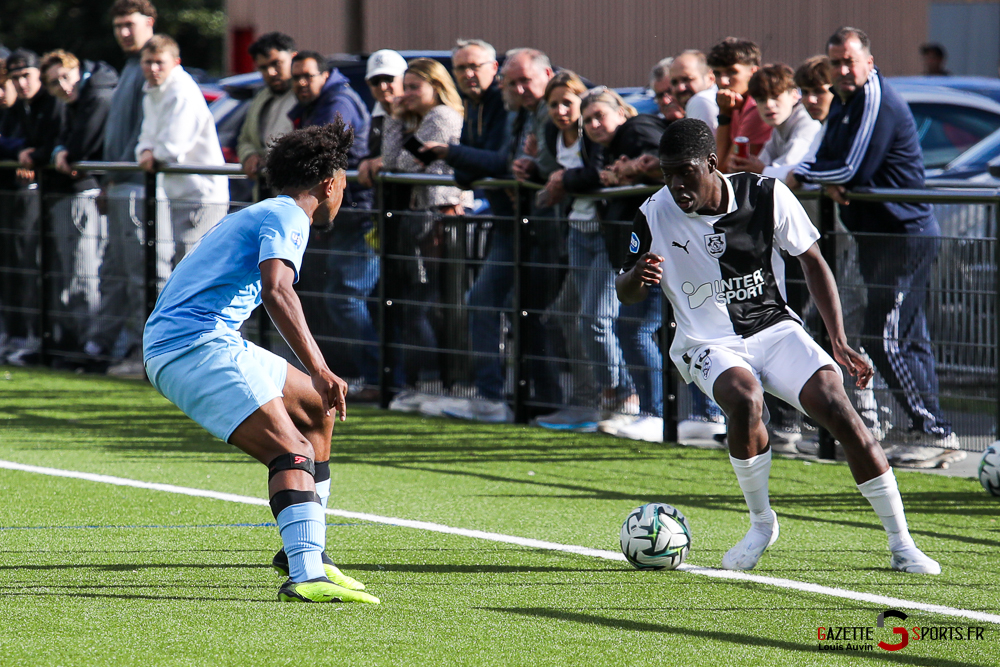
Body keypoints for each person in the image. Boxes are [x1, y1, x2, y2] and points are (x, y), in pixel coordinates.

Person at [619, 117, 942, 575]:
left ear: (712, 164)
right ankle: (761, 523)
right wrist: (637, 278)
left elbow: (812, 261)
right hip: (707, 341)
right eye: (666, 173)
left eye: (685, 171)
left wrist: (838, 340)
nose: (675, 184)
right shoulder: (654, 212)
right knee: (744, 398)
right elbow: (623, 289)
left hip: (774, 329)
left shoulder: (766, 194)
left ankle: (902, 544)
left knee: (837, 406)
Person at [142, 121, 379, 604]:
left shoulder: (269, 210)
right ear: (330, 181)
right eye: (345, 178)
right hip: (191, 344)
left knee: (316, 409)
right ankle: (307, 573)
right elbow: (277, 289)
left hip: (203, 338)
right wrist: (319, 365)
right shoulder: (290, 216)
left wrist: (316, 381)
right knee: (291, 450)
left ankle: (305, 553)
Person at [789, 28, 962, 468]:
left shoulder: (877, 101)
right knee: (907, 337)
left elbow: (850, 166)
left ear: (869, 59)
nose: (842, 71)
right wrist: (815, 175)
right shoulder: (844, 100)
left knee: (883, 338)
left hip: (903, 236)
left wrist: (812, 178)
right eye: (835, 62)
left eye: (849, 61)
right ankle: (927, 429)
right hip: (875, 238)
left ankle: (937, 432)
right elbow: (822, 157)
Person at [442, 48, 562, 422]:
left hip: (550, 226)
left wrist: (455, 154)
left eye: (525, 80)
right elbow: (477, 169)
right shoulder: (510, 111)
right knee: (509, 307)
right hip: (515, 222)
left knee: (552, 315)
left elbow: (512, 163)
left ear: (547, 75)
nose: (520, 88)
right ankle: (509, 399)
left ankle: (553, 400)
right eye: (513, 82)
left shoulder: (547, 109)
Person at [576, 88, 667, 442]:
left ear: (621, 111)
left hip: (655, 251)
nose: (595, 125)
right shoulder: (608, 146)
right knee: (633, 330)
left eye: (600, 115)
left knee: (638, 330)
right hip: (635, 253)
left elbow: (665, 159)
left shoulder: (637, 128)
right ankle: (653, 410)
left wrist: (634, 168)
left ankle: (657, 412)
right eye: (588, 121)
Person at [377, 58, 472, 392]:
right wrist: (396, 119)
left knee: (439, 302)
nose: (406, 94)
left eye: (415, 87)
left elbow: (402, 162)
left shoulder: (441, 116)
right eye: (406, 86)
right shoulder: (422, 119)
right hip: (429, 217)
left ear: (437, 86)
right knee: (429, 301)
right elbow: (392, 161)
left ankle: (447, 379)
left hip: (444, 217)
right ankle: (439, 378)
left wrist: (398, 120)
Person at [287, 50, 376, 402]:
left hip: (354, 213)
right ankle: (368, 374)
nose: (301, 83)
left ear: (326, 75)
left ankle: (379, 375)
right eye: (296, 77)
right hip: (334, 212)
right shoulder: (319, 102)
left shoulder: (338, 101)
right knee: (335, 298)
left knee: (346, 298)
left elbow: (315, 150)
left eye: (307, 75)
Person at [83, 0, 161, 378]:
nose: (124, 32)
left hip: (139, 188)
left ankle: (145, 352)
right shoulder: (131, 66)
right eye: (118, 26)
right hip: (118, 184)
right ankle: (100, 348)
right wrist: (106, 182)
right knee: (113, 272)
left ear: (149, 22)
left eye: (130, 24)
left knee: (140, 274)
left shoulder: (154, 63)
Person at [42, 50, 119, 360]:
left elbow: (81, 148)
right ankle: (85, 344)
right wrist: (60, 149)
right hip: (82, 193)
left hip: (88, 193)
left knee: (85, 273)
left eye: (65, 76)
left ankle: (91, 347)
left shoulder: (96, 95)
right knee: (78, 273)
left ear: (78, 71)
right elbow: (66, 142)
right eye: (53, 82)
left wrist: (65, 152)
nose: (62, 85)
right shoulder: (75, 101)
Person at [136, 35, 229, 268]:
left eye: (160, 62)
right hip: (178, 193)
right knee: (181, 266)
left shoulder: (182, 90)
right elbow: (146, 137)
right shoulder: (153, 91)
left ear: (176, 62)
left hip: (202, 196)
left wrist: (151, 154)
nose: (153, 68)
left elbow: (172, 147)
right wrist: (146, 151)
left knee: (195, 269)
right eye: (148, 62)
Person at [0, 48, 66, 365]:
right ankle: (21, 335)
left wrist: (35, 156)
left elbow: (48, 145)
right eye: (16, 78)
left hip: (48, 196)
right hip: (26, 197)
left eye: (26, 75)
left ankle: (39, 338)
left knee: (36, 268)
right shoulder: (21, 109)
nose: (22, 83)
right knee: (18, 267)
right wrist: (21, 152)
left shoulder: (51, 103)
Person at [731, 63, 822, 181]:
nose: (768, 105)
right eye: (762, 100)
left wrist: (759, 170)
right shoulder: (779, 126)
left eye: (775, 96)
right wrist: (744, 167)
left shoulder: (808, 123)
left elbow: (788, 171)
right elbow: (761, 163)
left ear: (794, 95)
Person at [238, 32, 298, 198]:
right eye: (263, 67)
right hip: (266, 193)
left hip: (299, 195)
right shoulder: (261, 98)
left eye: (277, 63)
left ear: (294, 57)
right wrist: (249, 155)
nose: (271, 72)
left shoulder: (306, 95)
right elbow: (245, 139)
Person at [707, 37, 771, 172]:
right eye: (718, 73)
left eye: (732, 72)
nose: (723, 81)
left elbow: (721, 169)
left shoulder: (757, 108)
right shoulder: (736, 104)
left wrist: (724, 114)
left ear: (753, 72)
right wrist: (725, 113)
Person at [356, 49, 407, 190]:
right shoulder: (372, 118)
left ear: (404, 78)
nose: (383, 86)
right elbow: (371, 153)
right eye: (375, 81)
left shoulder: (419, 114)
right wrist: (365, 162)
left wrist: (388, 161)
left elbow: (422, 154)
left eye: (389, 79)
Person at [669, 50, 718, 133]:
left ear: (710, 77)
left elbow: (704, 146)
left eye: (687, 79)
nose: (680, 88)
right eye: (674, 82)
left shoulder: (701, 100)